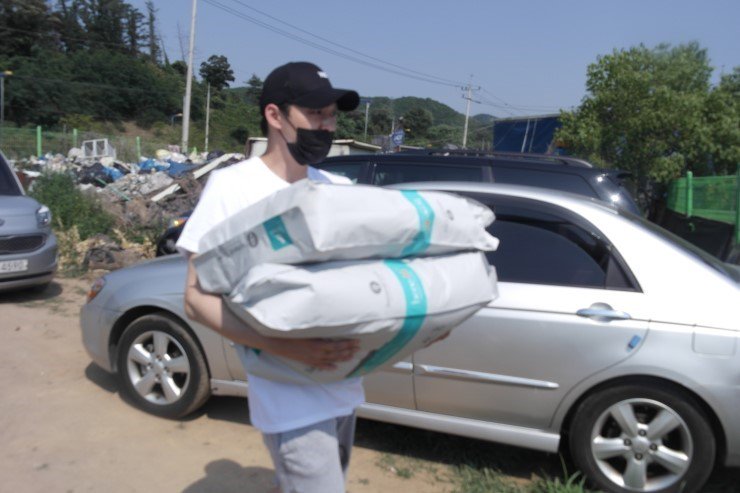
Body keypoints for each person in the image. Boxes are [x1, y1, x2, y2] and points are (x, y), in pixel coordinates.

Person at [177, 61, 363, 493]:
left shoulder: (337, 188)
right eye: (315, 113)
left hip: (344, 387)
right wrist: (287, 348)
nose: (327, 125)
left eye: (331, 115)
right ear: (275, 115)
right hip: (288, 395)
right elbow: (195, 298)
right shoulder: (233, 187)